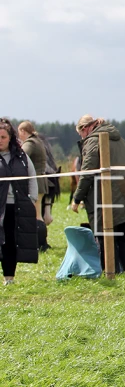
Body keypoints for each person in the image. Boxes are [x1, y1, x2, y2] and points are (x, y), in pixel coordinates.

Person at [70, 115, 125, 275]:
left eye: (80, 134)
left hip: (107, 196)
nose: (82, 137)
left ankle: (111, 274)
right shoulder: (117, 138)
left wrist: (77, 198)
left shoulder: (92, 140)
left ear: (85, 128)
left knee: (104, 237)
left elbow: (87, 172)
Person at [0, 118, 39, 284]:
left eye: (3, 137)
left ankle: (9, 278)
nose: (0, 140)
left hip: (15, 208)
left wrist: (32, 199)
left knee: (10, 242)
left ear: (10, 138)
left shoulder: (22, 156)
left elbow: (32, 177)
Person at [16, 121, 47, 225]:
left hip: (36, 183)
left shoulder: (30, 143)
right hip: (41, 181)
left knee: (37, 216)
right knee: (38, 214)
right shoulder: (37, 141)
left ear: (23, 131)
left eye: (19, 132)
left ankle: (40, 235)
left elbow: (20, 157)